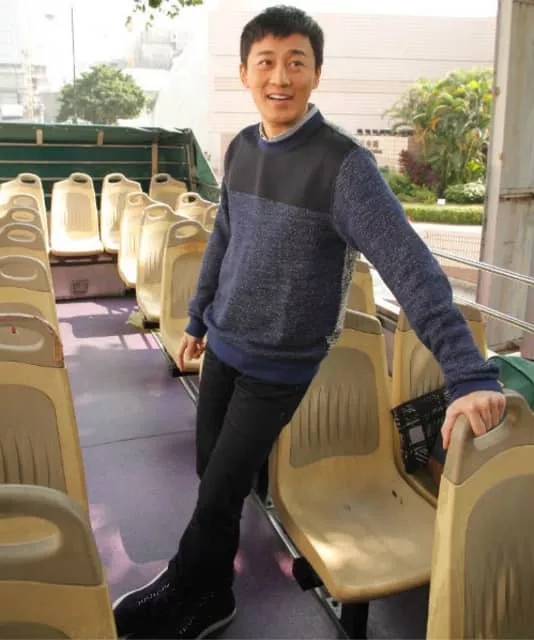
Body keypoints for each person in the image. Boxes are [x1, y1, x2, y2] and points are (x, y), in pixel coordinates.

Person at [113, 5, 505, 638]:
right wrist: (200, 317)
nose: (280, 77)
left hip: (280, 365)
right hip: (225, 343)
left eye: (296, 62)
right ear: (245, 73)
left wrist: (468, 372)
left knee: (221, 486)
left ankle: (192, 586)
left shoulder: (343, 166)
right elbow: (224, 240)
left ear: (316, 73)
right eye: (266, 62)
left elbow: (410, 265)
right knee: (212, 472)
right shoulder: (242, 149)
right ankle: (210, 587)